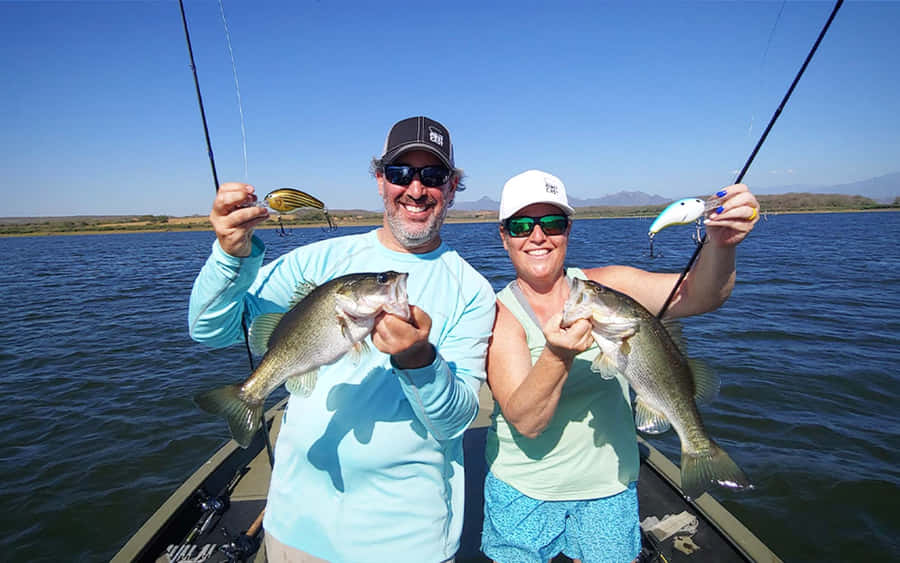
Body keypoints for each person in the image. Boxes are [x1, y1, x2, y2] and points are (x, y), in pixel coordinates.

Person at [188, 116, 496, 563]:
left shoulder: (473, 290)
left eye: (432, 176)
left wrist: (418, 359)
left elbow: (455, 421)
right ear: (379, 181)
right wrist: (229, 257)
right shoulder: (317, 261)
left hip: (409, 544)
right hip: (296, 531)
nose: (415, 189)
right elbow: (211, 330)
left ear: (450, 188)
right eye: (399, 174)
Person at [481, 169, 760, 563]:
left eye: (553, 223)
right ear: (504, 236)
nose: (538, 236)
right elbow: (525, 422)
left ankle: (702, 454)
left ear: (568, 230)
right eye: (522, 225)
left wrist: (723, 245)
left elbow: (700, 295)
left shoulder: (612, 287)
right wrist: (557, 355)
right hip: (523, 488)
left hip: (608, 484)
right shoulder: (497, 313)